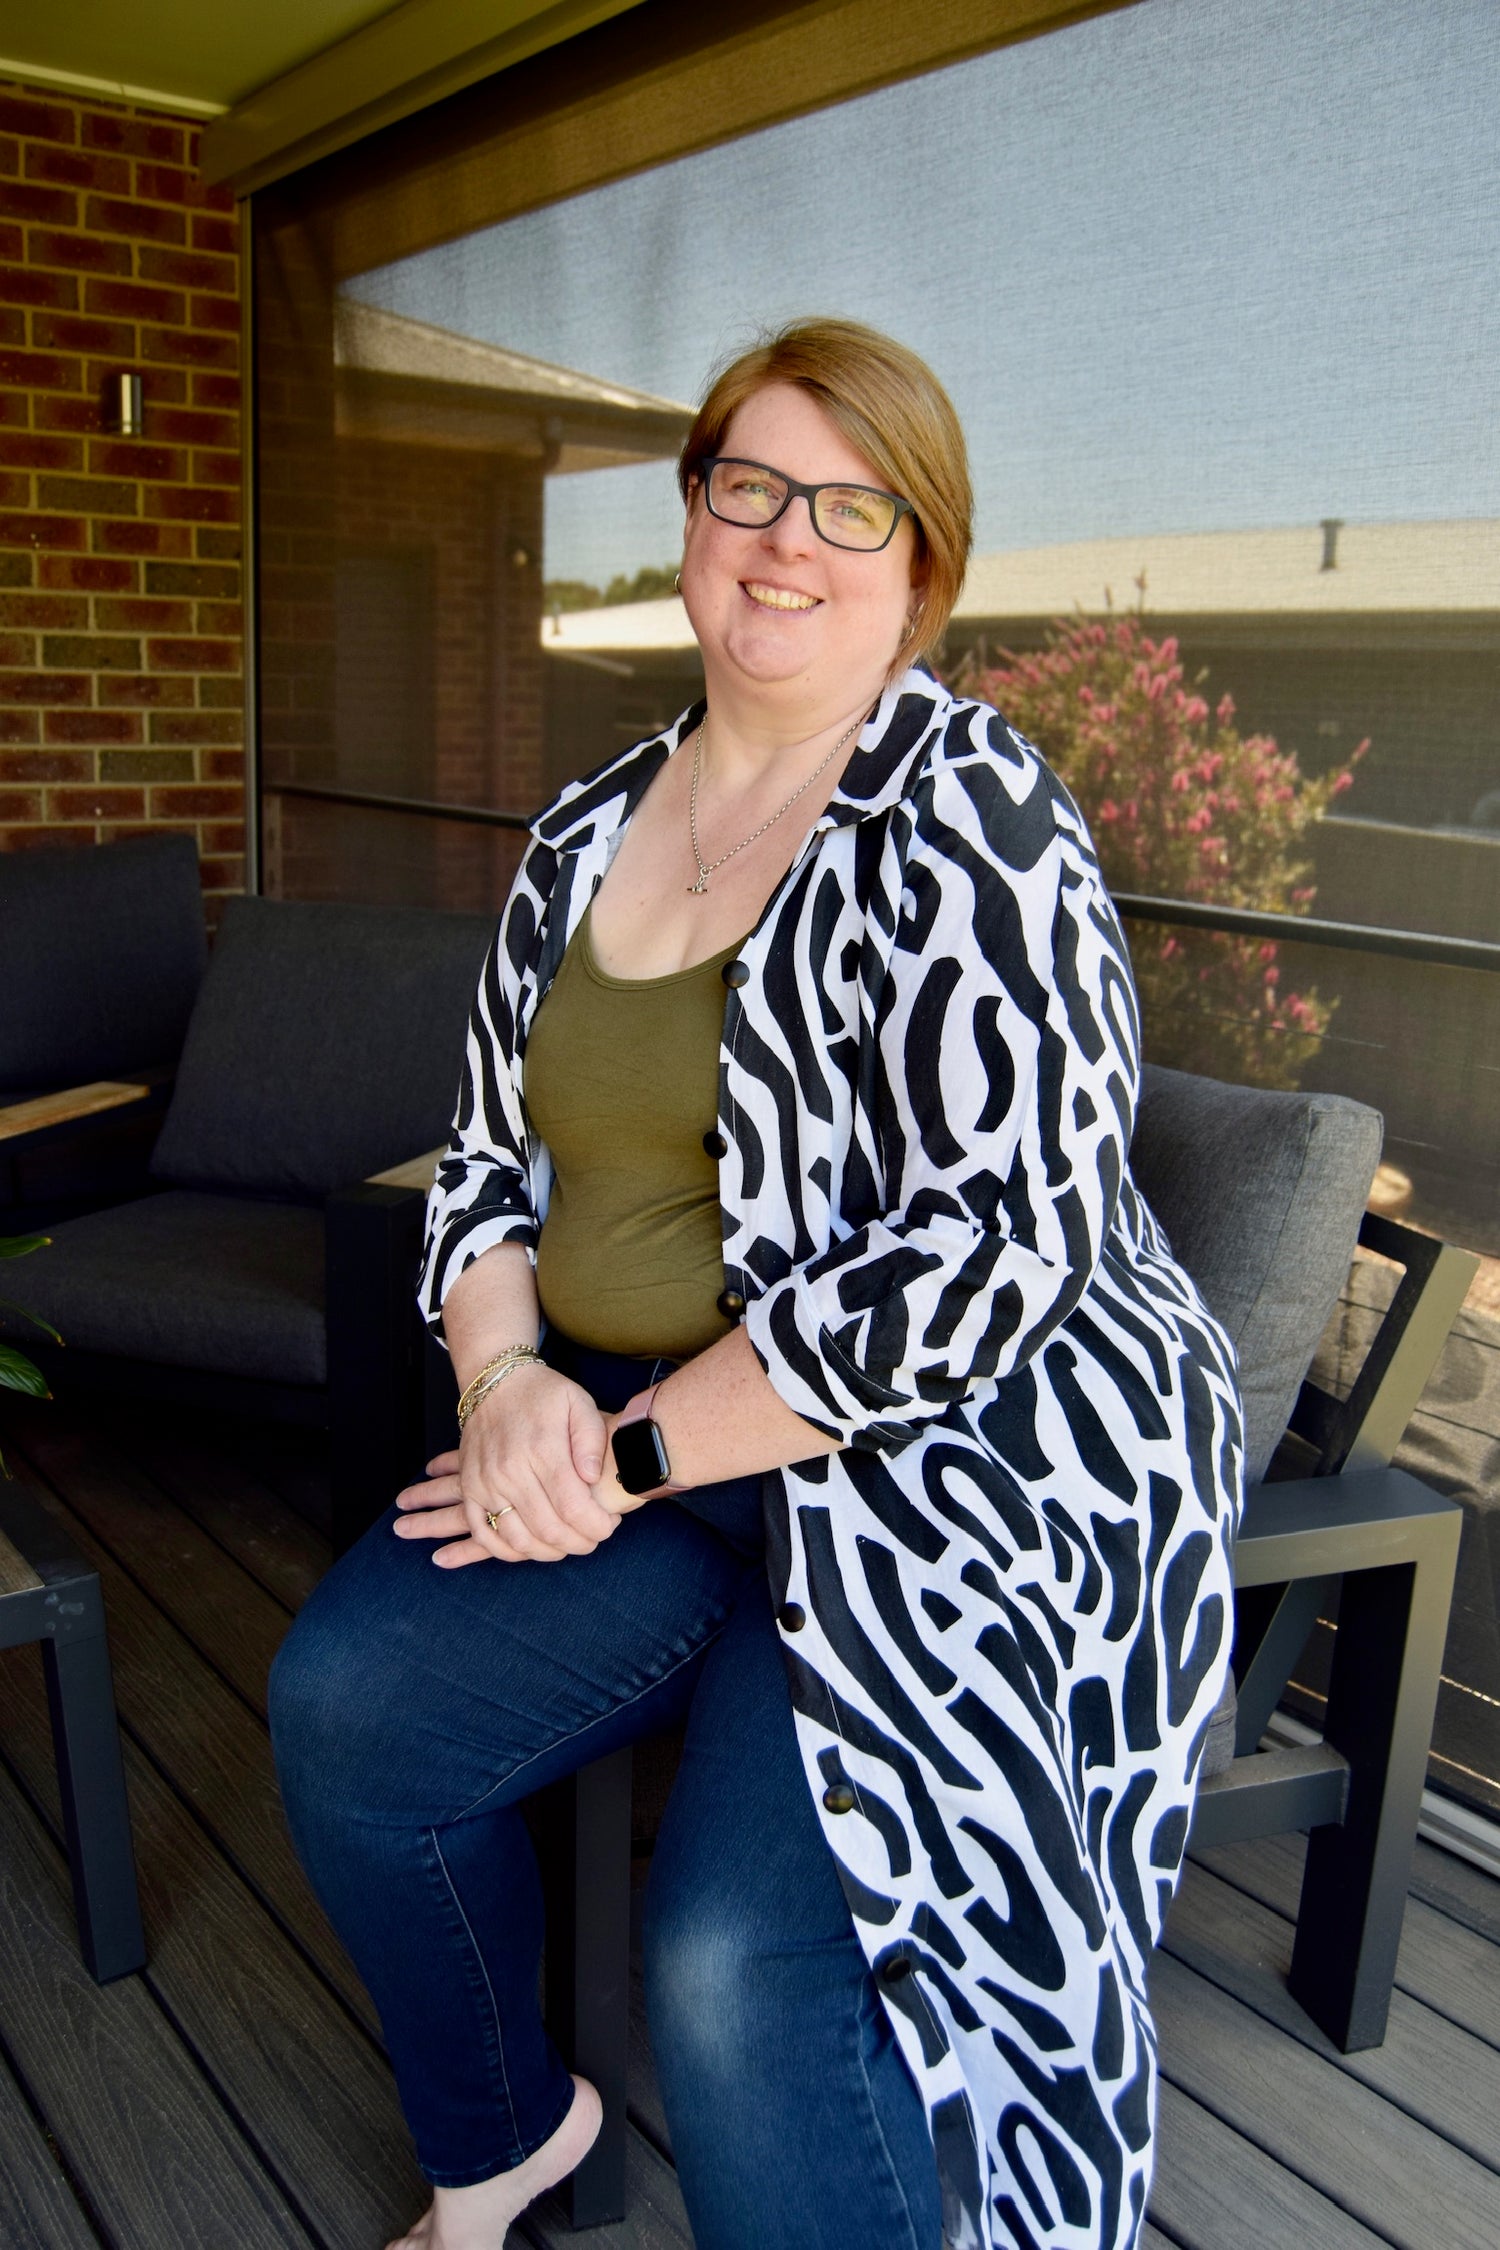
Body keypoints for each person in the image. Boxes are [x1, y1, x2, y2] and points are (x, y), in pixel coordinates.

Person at [269, 318, 1243, 2250]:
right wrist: (504, 1385)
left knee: (730, 1963)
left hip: (962, 1482)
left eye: (850, 505)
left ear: (920, 570)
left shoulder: (979, 824)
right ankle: (507, 2141)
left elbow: (979, 1266)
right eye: (751, 486)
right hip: (648, 1449)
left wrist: (614, 1457)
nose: (787, 540)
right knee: (348, 1707)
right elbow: (477, 1163)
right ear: (692, 512)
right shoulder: (578, 831)